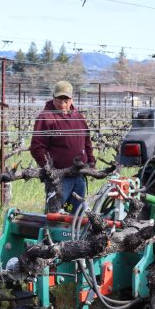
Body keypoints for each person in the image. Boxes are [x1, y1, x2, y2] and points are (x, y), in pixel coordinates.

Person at [29, 80, 95, 213]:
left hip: (79, 175)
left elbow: (87, 140)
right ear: (53, 98)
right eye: (59, 100)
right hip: (60, 178)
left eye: (66, 100)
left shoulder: (78, 116)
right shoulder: (46, 118)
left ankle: (73, 235)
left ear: (72, 99)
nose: (63, 104)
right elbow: (37, 147)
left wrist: (91, 162)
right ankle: (50, 234)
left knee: (77, 215)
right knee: (55, 215)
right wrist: (49, 170)